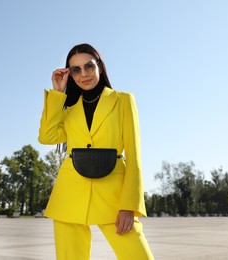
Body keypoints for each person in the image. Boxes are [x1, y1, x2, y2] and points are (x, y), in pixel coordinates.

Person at [38, 43, 154, 260]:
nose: (84, 74)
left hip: (114, 195)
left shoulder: (123, 100)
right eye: (76, 70)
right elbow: (47, 137)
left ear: (99, 66)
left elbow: (135, 155)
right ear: (70, 74)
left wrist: (130, 206)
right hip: (69, 194)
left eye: (89, 66)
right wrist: (57, 94)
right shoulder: (68, 109)